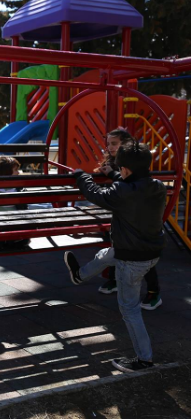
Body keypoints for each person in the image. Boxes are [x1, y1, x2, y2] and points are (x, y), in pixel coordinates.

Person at [63, 142, 165, 373]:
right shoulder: (157, 186)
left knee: (130, 310)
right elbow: (131, 184)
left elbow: (95, 194)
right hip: (150, 252)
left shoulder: (122, 192)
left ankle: (144, 360)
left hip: (131, 258)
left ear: (126, 169)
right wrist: (113, 174)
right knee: (106, 255)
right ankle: (80, 275)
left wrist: (82, 176)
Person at [95, 129, 161, 309]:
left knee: (141, 253)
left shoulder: (134, 165)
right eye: (108, 144)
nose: (110, 147)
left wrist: (110, 175)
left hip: (136, 217)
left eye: (114, 144)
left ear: (126, 145)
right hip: (121, 213)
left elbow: (131, 184)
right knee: (117, 246)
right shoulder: (113, 163)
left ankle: (154, 292)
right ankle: (115, 280)